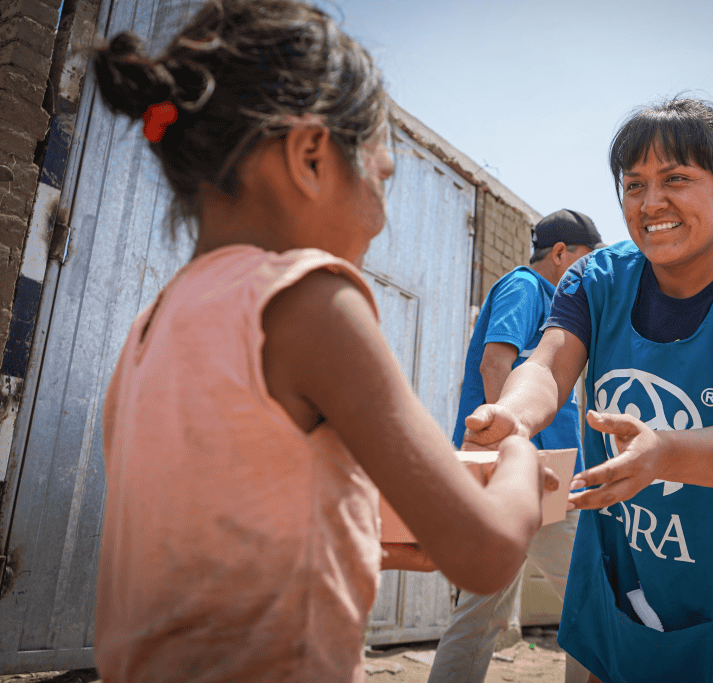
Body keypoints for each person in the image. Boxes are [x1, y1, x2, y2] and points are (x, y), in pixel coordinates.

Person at [91, 2, 554, 681]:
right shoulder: (311, 300)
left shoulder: (150, 327)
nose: (382, 218)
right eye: (382, 177)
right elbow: (483, 553)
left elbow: (224, 525)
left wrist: (360, 532)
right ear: (311, 157)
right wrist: (519, 458)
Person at [464, 97, 713, 683]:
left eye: (676, 179)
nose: (651, 202)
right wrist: (513, 413)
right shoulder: (595, 278)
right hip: (622, 535)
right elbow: (548, 364)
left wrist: (663, 453)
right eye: (634, 185)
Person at [428, 209, 603, 683]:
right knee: (592, 601)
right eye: (588, 260)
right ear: (560, 253)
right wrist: (514, 455)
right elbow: (494, 364)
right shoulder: (526, 287)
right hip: (531, 473)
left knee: (481, 612)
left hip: (530, 471)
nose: (593, 273)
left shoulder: (561, 308)